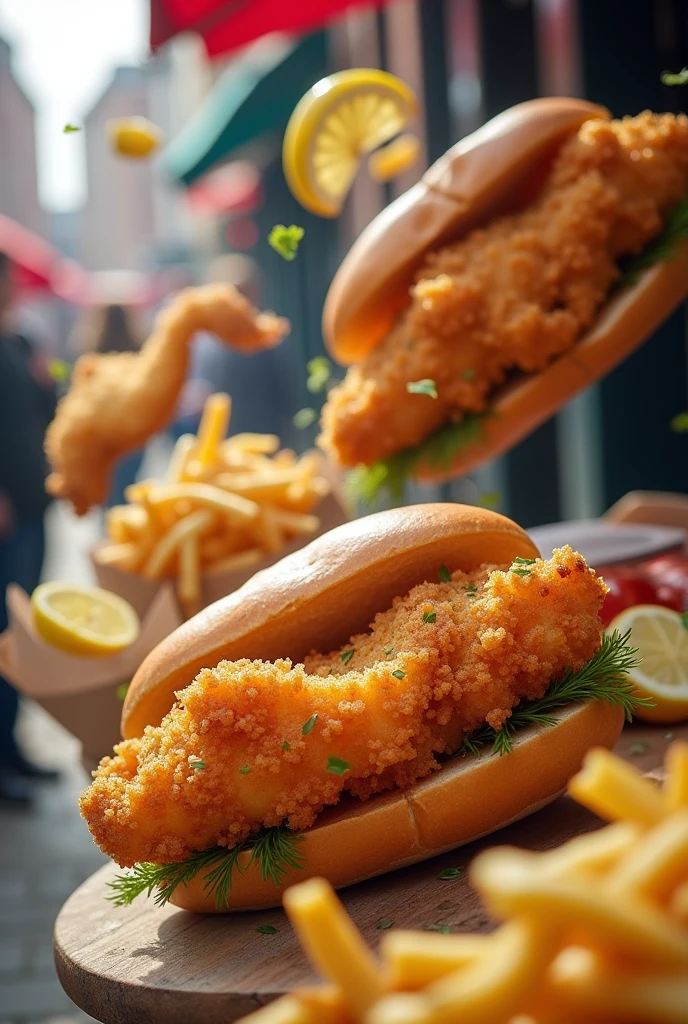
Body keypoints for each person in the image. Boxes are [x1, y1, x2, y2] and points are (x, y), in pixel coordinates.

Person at [0, 252, 59, 807]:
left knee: (19, 638)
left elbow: (45, 412)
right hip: (6, 518)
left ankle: (12, 748)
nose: (13, 289)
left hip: (33, 510)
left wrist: (46, 378)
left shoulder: (16, 343)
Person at [71, 302, 145, 506]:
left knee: (108, 491)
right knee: (127, 488)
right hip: (132, 436)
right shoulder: (138, 350)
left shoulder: (92, 351)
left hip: (103, 437)